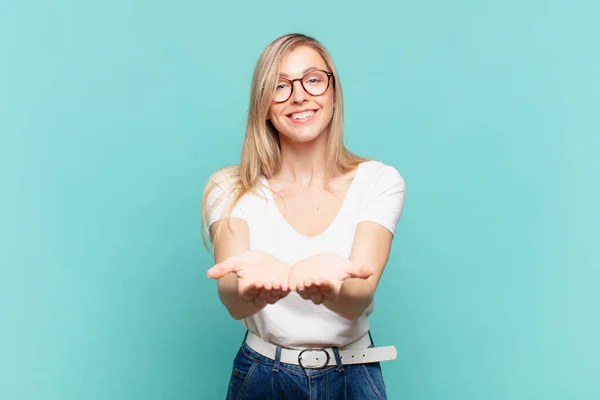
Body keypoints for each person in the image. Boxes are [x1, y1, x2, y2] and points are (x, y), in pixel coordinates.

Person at [201, 33, 406, 400]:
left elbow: (358, 296)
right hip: (262, 378)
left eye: (312, 79)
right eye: (280, 85)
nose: (299, 95)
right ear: (263, 105)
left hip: (353, 376)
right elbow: (232, 299)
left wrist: (332, 287)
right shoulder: (230, 187)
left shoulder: (378, 180)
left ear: (332, 92)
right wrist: (248, 285)